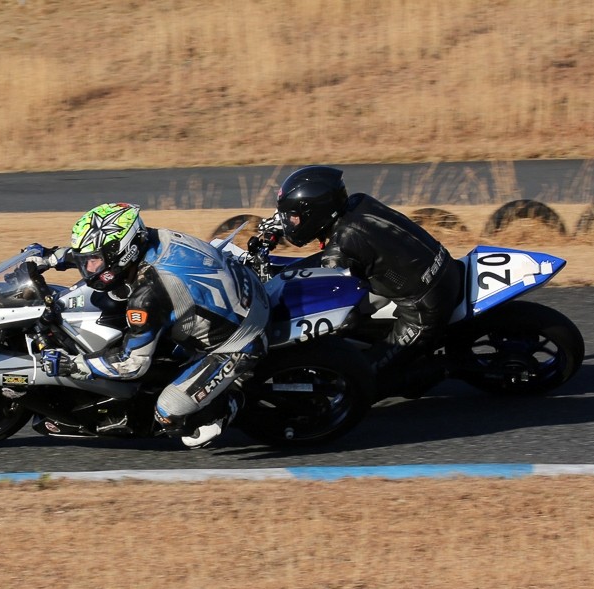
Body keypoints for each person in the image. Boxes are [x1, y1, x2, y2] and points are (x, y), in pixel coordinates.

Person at [26, 202, 269, 448]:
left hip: (240, 340)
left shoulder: (147, 295)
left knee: (169, 415)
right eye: (85, 260)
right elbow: (100, 256)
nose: (88, 268)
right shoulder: (149, 238)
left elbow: (131, 365)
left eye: (94, 261)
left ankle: (231, 401)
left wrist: (72, 365)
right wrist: (52, 257)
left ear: (124, 253)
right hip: (238, 292)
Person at [259, 165, 461, 396]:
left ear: (316, 213)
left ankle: (446, 368)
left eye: (294, 217)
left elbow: (340, 306)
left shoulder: (342, 247)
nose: (290, 223)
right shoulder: (357, 202)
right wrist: (277, 228)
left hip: (425, 306)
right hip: (441, 264)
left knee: (365, 380)